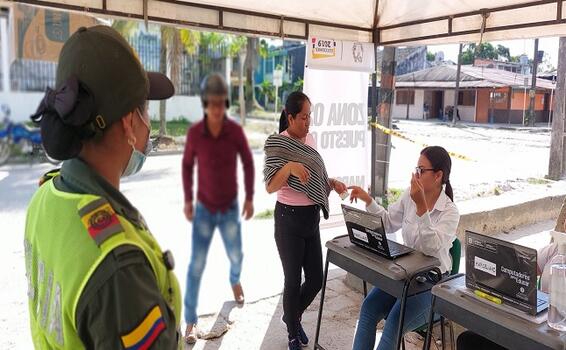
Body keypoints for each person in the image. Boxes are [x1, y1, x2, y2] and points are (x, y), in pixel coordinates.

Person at [24, 26, 182, 349]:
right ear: (128, 122)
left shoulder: (46, 197)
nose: (148, 125)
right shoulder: (119, 270)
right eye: (145, 109)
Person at [348, 146, 460, 350]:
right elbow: (389, 222)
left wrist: (421, 208)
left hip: (432, 283)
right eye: (416, 168)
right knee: (368, 309)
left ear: (438, 176)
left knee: (394, 322)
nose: (415, 175)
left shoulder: (450, 212)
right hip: (406, 275)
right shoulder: (410, 195)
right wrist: (368, 200)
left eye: (421, 170)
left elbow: (431, 248)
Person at [264, 91, 348, 350]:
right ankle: (292, 332)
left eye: (310, 116)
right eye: (303, 117)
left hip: (310, 219)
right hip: (288, 220)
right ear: (290, 118)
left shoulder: (310, 139)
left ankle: (291, 316)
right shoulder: (279, 144)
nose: (308, 122)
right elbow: (269, 186)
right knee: (292, 279)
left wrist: (331, 183)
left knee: (315, 279)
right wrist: (288, 168)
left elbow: (315, 178)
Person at [182, 73, 255, 344]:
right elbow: (188, 166)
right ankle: (190, 321)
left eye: (220, 103)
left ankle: (234, 279)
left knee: (236, 254)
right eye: (211, 103)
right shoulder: (194, 133)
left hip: (229, 208)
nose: (216, 109)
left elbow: (248, 162)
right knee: (196, 264)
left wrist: (249, 198)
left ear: (225, 103)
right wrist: (188, 200)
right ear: (205, 104)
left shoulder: (234, 131)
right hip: (203, 208)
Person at [457, 229, 566, 350]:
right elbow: (524, 269)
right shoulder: (555, 250)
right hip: (540, 327)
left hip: (556, 334)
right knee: (469, 340)